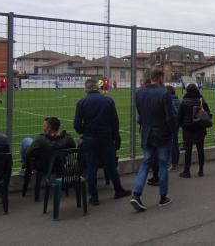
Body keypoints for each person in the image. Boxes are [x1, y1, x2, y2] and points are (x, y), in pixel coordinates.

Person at [74, 78, 130, 206]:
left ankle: (94, 197)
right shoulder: (108, 101)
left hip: (90, 139)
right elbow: (115, 123)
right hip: (106, 138)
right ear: (96, 87)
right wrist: (116, 136)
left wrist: (85, 131)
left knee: (91, 167)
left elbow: (77, 125)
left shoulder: (81, 102)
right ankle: (118, 190)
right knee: (110, 165)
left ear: (86, 88)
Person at [130, 70, 175, 211]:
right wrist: (173, 132)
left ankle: (136, 194)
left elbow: (141, 115)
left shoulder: (139, 93)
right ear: (160, 78)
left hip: (146, 133)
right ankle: (163, 197)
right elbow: (170, 117)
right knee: (162, 165)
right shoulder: (164, 93)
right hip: (162, 134)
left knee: (146, 163)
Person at [178, 83, 211, 178]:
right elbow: (208, 113)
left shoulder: (184, 102)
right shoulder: (202, 101)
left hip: (187, 129)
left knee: (188, 150)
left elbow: (179, 117)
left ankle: (187, 171)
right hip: (200, 128)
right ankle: (201, 170)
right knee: (200, 149)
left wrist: (183, 126)